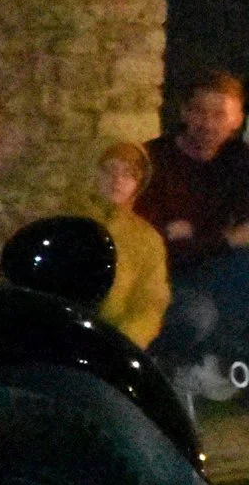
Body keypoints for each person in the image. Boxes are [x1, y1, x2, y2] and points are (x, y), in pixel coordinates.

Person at [139, 71, 249, 400]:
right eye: (200, 112)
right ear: (184, 112)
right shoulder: (153, 162)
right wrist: (224, 239)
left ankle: (216, 367)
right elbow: (157, 249)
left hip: (213, 271)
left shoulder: (238, 163)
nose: (208, 123)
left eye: (220, 114)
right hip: (165, 280)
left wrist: (196, 235)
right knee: (198, 315)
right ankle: (197, 369)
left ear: (237, 120)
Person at [89, 142, 170, 351]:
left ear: (139, 183)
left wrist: (122, 342)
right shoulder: (67, 218)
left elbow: (150, 304)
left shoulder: (147, 239)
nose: (117, 180)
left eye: (129, 174)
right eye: (109, 170)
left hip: (113, 339)